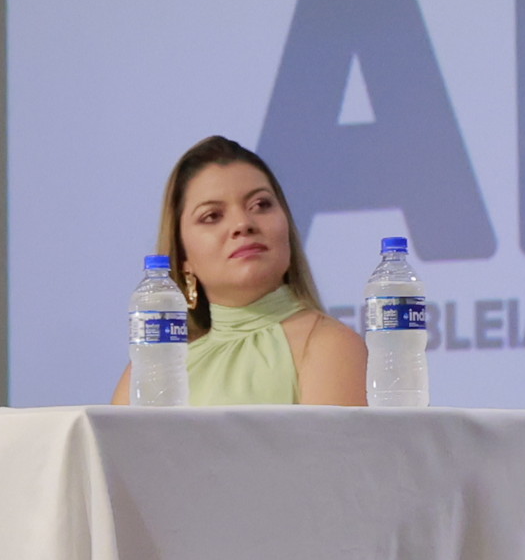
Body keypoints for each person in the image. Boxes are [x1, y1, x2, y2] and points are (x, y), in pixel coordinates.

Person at [109, 137, 364, 406]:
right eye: (212, 216)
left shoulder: (331, 345)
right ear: (183, 257)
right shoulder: (150, 370)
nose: (243, 223)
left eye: (260, 205)